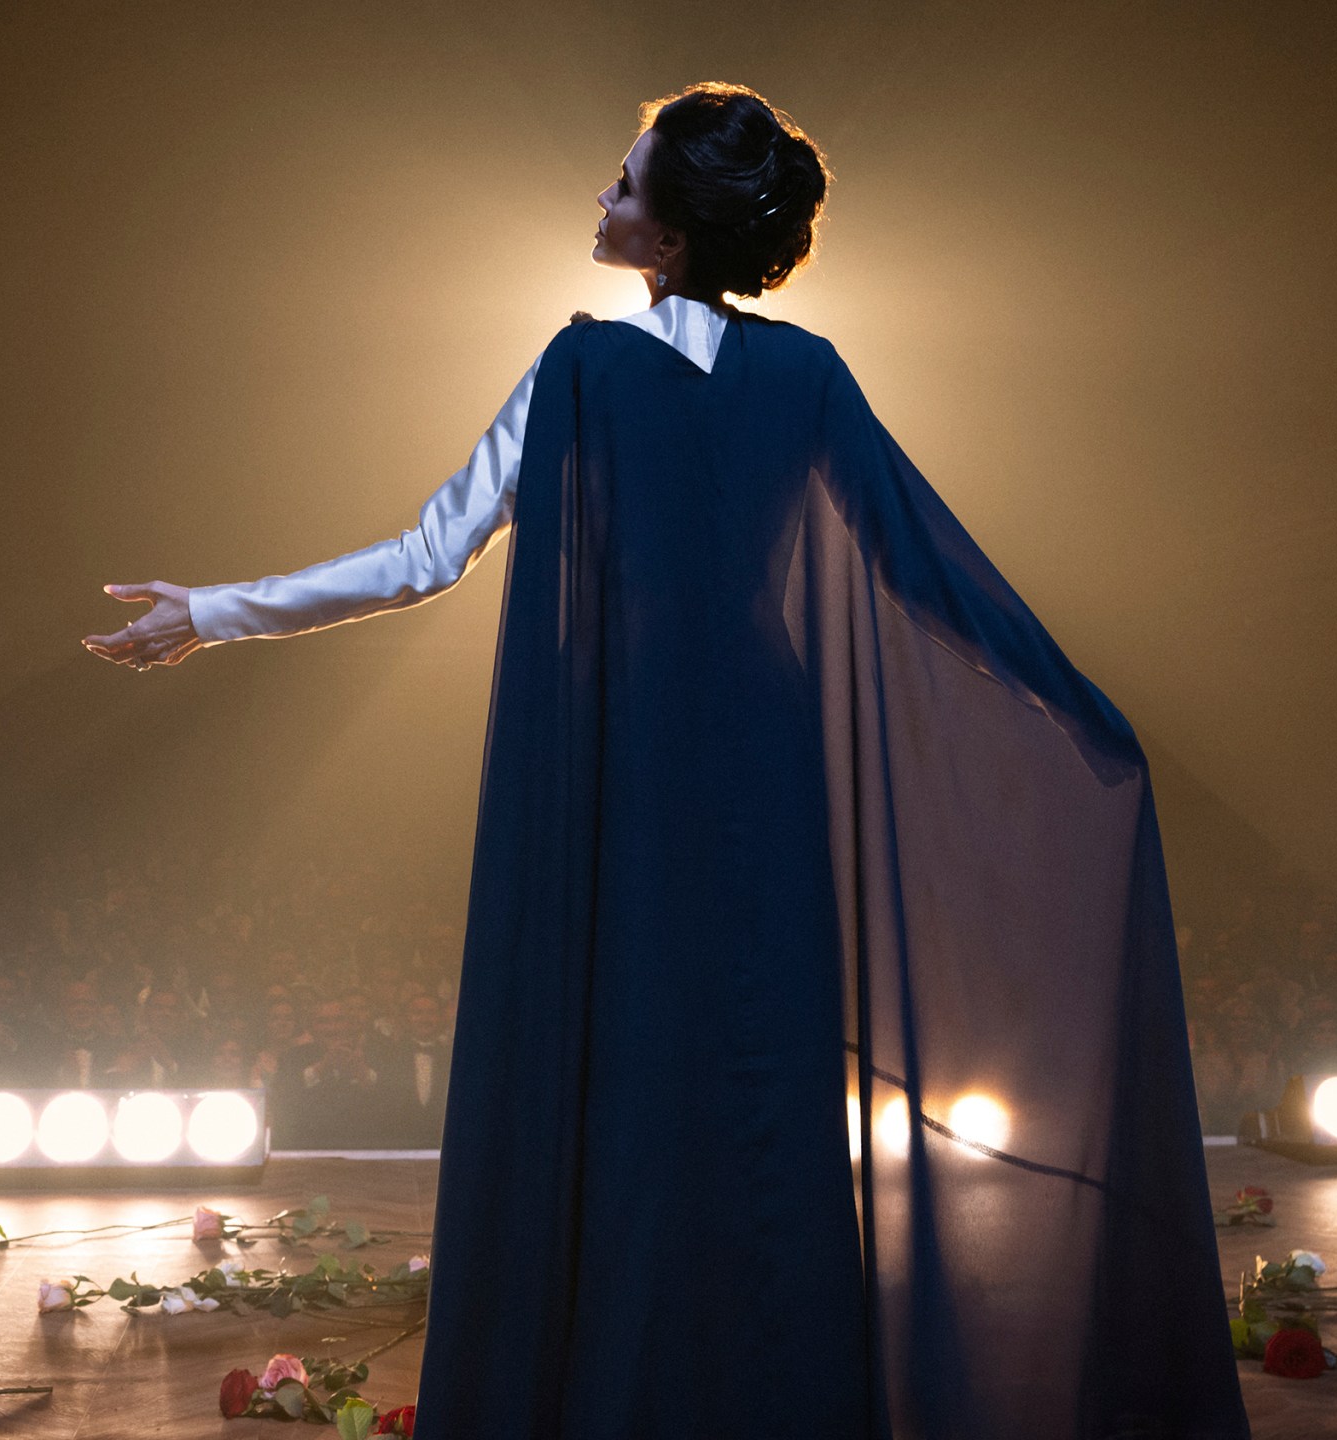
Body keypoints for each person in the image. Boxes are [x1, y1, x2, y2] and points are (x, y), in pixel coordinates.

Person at [85, 82, 1246, 1440]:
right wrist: (1077, 714)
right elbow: (927, 574)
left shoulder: (582, 370)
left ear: (671, 242)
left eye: (623, 186)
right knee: (759, 1082)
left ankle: (630, 1388)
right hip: (762, 752)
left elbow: (421, 562)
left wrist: (209, 614)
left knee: (630, 1084)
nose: (601, 200)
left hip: (627, 762)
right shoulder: (804, 374)